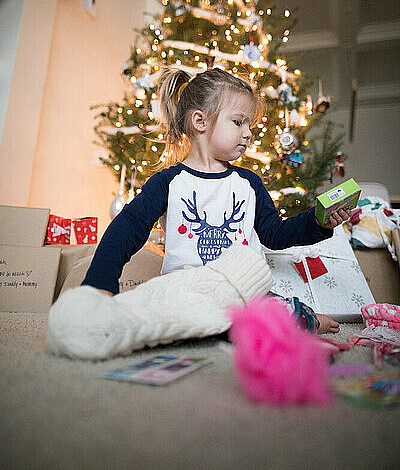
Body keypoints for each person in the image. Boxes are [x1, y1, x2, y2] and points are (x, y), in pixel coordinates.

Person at [82, 67, 351, 334]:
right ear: (200, 122)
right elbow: (125, 230)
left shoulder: (249, 183)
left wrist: (319, 221)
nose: (248, 133)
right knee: (144, 315)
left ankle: (303, 319)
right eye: (238, 122)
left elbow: (275, 234)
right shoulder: (169, 183)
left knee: (285, 313)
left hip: (243, 294)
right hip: (186, 290)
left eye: (250, 125)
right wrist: (100, 285)